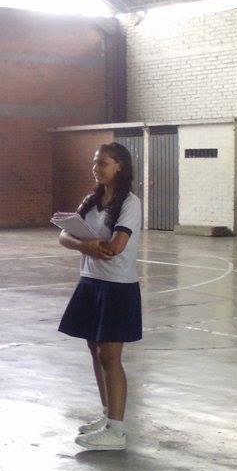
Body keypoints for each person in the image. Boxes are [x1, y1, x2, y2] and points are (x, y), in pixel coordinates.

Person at [57, 142, 142, 451]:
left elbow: (115, 248)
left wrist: (91, 245)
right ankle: (108, 416)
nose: (96, 168)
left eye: (102, 163)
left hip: (117, 286)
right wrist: (86, 246)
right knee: (94, 349)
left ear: (119, 166)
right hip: (91, 281)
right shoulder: (91, 200)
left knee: (111, 356)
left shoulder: (130, 203)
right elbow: (65, 235)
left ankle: (116, 432)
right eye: (95, 162)